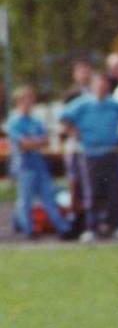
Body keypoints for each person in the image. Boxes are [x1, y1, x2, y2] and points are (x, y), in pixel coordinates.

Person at [59, 72, 118, 240]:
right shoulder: (82, 103)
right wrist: (74, 132)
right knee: (90, 191)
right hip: (89, 153)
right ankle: (91, 228)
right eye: (98, 84)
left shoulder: (114, 104)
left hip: (112, 152)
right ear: (92, 86)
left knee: (115, 190)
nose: (101, 87)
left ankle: (117, 226)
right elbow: (63, 118)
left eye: (104, 84)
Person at [6, 85, 71, 238]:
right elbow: (22, 144)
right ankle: (28, 229)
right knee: (25, 200)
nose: (30, 102)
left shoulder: (36, 121)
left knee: (49, 197)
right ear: (19, 101)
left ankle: (63, 229)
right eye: (27, 99)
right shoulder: (14, 121)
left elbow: (46, 141)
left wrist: (32, 142)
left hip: (39, 165)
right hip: (24, 166)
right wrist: (35, 142)